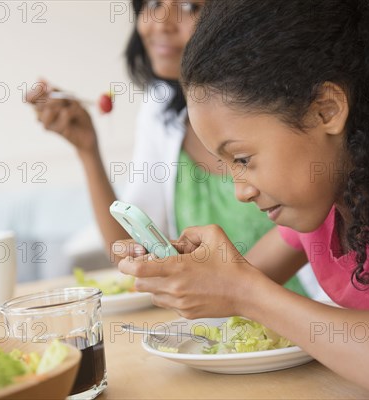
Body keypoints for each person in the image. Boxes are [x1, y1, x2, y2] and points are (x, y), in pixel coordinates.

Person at [113, 0, 369, 397]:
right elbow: (238, 278)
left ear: (326, 110)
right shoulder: (329, 199)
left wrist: (243, 292)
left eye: (244, 159)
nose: (241, 190)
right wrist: (179, 268)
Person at [27, 0, 323, 298]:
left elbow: (243, 282)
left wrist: (209, 278)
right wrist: (87, 149)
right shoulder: (159, 112)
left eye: (189, 6)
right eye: (154, 3)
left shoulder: (285, 111)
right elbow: (130, 247)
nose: (161, 22)